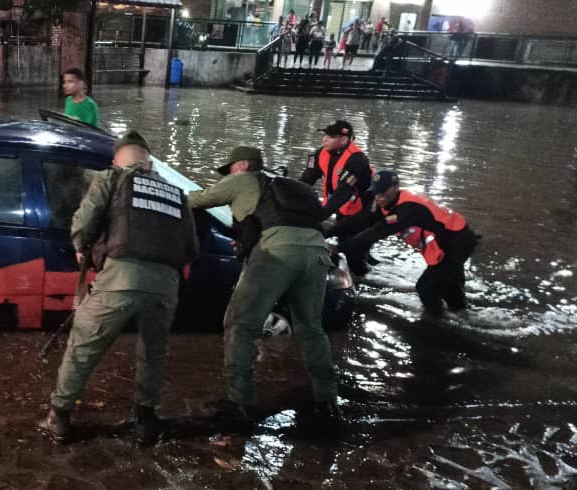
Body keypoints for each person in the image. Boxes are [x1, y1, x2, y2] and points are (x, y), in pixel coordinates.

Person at [39, 131, 199, 445]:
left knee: (84, 345)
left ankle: (58, 416)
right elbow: (191, 247)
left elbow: (83, 223)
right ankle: (145, 422)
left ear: (116, 161)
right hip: (167, 286)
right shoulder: (177, 193)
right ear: (149, 161)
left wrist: (81, 247)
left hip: (122, 279)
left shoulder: (112, 178)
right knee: (153, 352)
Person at [187, 146, 341, 430]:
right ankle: (327, 401)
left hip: (276, 253)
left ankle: (238, 404)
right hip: (317, 253)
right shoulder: (294, 186)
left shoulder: (242, 178)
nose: (228, 175)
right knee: (310, 327)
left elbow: (194, 200)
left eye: (230, 169)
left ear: (243, 165)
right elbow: (320, 220)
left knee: (239, 324)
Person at [328, 170, 478, 317]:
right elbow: (359, 220)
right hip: (451, 240)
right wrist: (326, 232)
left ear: (394, 188)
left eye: (381, 193)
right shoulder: (387, 203)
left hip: (457, 242)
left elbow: (374, 233)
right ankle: (462, 314)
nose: (378, 197)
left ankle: (439, 323)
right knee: (449, 289)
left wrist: (338, 248)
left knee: (425, 288)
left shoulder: (407, 209)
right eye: (375, 193)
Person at [299, 120, 374, 256]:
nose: (324, 140)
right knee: (342, 240)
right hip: (342, 207)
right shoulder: (319, 153)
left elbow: (343, 192)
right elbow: (306, 180)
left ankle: (362, 267)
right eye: (325, 135)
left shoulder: (357, 159)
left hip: (363, 209)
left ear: (344, 139)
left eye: (331, 137)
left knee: (354, 252)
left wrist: (320, 215)